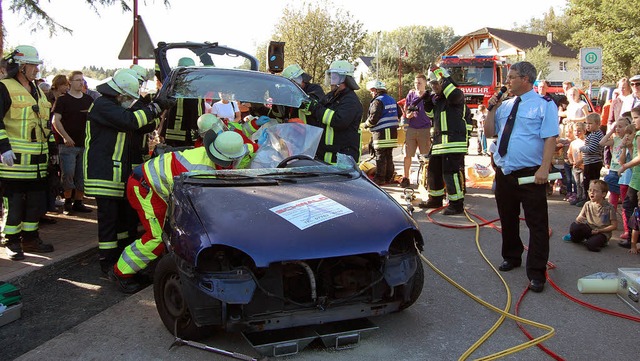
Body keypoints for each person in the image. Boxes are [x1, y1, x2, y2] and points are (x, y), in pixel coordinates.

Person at [109, 130, 256, 293]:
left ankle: (141, 267)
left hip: (152, 185)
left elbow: (249, 151)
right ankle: (120, 273)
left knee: (166, 232)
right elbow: (200, 207)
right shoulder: (199, 171)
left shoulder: (218, 150)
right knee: (156, 238)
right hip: (145, 187)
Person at [84, 69, 168, 274]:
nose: (130, 102)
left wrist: (158, 110)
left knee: (122, 219)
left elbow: (140, 126)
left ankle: (120, 255)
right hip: (103, 173)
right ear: (119, 94)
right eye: (128, 98)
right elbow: (130, 121)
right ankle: (107, 262)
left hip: (116, 172)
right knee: (109, 221)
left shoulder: (114, 107)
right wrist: (156, 106)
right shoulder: (103, 105)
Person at [484, 61, 559, 293]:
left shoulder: (544, 105)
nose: (507, 81)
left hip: (531, 175)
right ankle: (512, 256)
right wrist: (492, 109)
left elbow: (550, 138)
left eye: (512, 77)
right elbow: (489, 132)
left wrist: (544, 169)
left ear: (526, 79)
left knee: (537, 224)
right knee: (508, 217)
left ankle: (536, 272)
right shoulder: (505, 105)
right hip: (505, 171)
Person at [0, 45, 55, 261]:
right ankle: (11, 242)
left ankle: (31, 238)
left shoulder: (38, 90)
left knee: (35, 203)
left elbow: (45, 124)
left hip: (38, 163)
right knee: (13, 204)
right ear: (21, 67)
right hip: (14, 162)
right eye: (32, 65)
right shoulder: (4, 88)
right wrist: (3, 148)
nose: (36, 69)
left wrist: (52, 149)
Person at [420, 65, 468, 215]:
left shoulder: (456, 94)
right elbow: (430, 115)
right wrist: (427, 101)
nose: (434, 87)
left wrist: (442, 76)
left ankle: (456, 204)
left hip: (453, 142)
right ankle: (435, 199)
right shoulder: (439, 100)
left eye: (436, 83)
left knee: (450, 173)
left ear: (444, 81)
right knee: (434, 171)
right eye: (432, 84)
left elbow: (452, 96)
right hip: (440, 143)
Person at [51, 70, 94, 215]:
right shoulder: (63, 100)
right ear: (70, 82)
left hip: (84, 144)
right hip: (68, 145)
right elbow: (56, 120)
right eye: (77, 80)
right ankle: (67, 202)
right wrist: (65, 137)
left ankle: (79, 202)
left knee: (81, 175)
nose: (81, 82)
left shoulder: (88, 100)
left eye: (82, 80)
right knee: (68, 173)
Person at [304, 60, 362, 164]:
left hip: (342, 159)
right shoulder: (331, 96)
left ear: (343, 79)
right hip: (328, 156)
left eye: (334, 77)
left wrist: (316, 109)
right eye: (331, 77)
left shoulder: (350, 100)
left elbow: (339, 120)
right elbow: (318, 109)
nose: (331, 80)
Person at [562, 179, 617, 252]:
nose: (592, 192)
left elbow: (614, 226)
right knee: (574, 226)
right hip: (589, 229)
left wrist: (600, 230)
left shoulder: (609, 207)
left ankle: (600, 241)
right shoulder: (587, 204)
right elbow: (579, 217)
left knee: (591, 245)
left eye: (595, 191)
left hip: (602, 233)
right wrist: (579, 219)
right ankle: (579, 238)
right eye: (590, 190)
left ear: (603, 194)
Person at [363, 80, 399, 185]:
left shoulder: (377, 101)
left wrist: (366, 124)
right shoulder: (392, 99)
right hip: (392, 132)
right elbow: (399, 113)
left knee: (380, 156)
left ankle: (379, 178)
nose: (371, 93)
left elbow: (373, 118)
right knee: (388, 155)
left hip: (381, 133)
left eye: (371, 91)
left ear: (376, 90)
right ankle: (389, 177)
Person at [401, 73, 432, 187]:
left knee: (425, 155)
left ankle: (426, 178)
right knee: (407, 154)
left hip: (425, 129)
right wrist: (407, 115)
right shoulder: (411, 95)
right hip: (412, 128)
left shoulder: (430, 96)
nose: (417, 85)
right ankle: (406, 178)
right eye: (415, 83)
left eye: (419, 83)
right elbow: (406, 109)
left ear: (425, 83)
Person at [617, 106, 640, 249]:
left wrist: (624, 166)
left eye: (636, 117)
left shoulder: (638, 135)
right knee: (631, 206)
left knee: (628, 205)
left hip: (637, 179)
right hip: (636, 176)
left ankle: (633, 238)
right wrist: (628, 147)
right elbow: (635, 154)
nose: (634, 121)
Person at [578, 113, 604, 207]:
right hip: (589, 162)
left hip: (593, 162)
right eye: (586, 123)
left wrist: (582, 148)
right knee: (587, 182)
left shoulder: (596, 135)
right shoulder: (592, 134)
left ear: (597, 124)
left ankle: (590, 200)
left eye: (590, 123)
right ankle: (587, 199)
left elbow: (592, 149)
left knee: (590, 183)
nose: (588, 125)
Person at [568, 123, 586, 205]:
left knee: (583, 183)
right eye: (575, 131)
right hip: (575, 166)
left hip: (583, 166)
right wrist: (572, 161)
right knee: (577, 183)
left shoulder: (585, 142)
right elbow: (569, 154)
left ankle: (584, 197)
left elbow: (587, 155)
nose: (577, 133)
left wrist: (580, 161)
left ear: (584, 131)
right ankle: (578, 196)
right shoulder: (573, 143)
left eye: (579, 131)